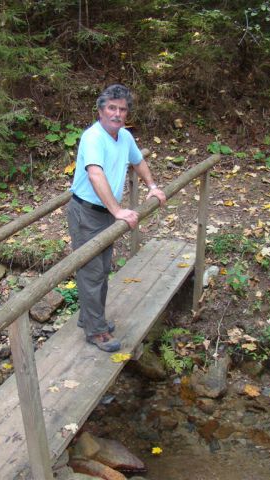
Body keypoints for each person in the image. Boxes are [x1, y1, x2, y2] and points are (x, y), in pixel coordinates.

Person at [67, 84, 166, 352]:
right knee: (92, 271)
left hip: (104, 213)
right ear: (101, 110)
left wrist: (152, 186)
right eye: (112, 108)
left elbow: (138, 161)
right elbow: (95, 174)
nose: (117, 114)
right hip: (87, 212)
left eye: (122, 109)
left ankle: (89, 317)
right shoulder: (93, 137)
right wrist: (118, 210)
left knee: (101, 268)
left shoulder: (124, 137)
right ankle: (96, 331)